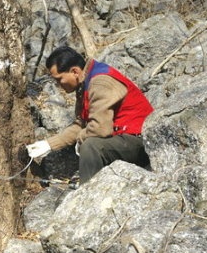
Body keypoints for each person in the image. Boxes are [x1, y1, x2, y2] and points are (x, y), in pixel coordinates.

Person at [27, 46, 153, 184]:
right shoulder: (85, 81)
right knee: (88, 143)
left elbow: (99, 129)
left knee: (91, 146)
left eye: (59, 79)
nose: (58, 85)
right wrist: (49, 144)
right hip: (123, 138)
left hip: (141, 142)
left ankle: (86, 197)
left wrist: (81, 139)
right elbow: (81, 123)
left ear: (74, 71)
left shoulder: (100, 82)